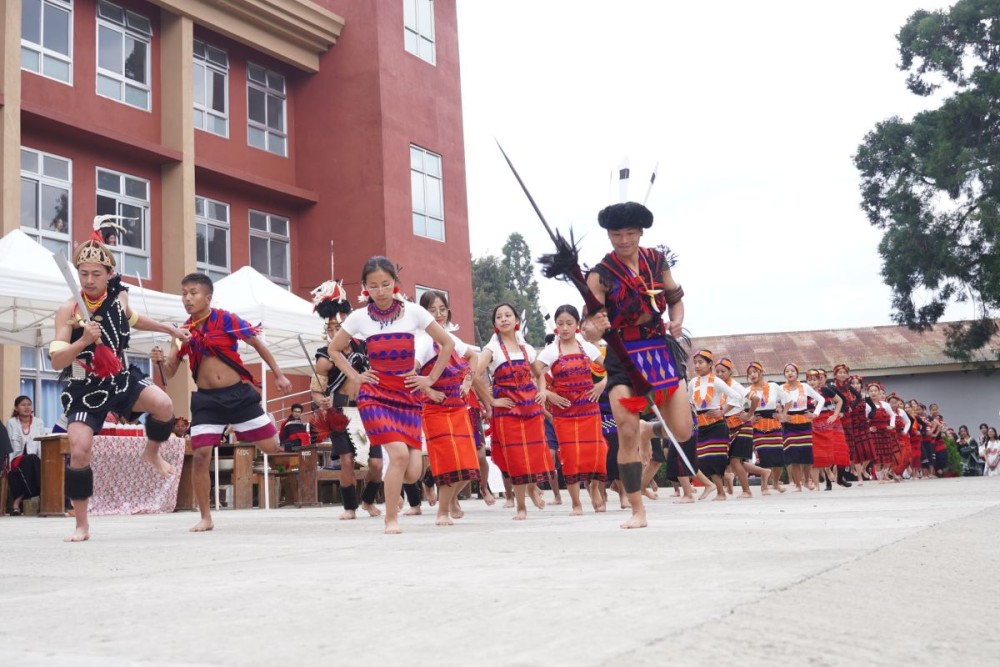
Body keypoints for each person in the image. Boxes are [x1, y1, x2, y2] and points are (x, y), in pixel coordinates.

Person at [50, 222, 190, 541]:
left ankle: (152, 452)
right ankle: (82, 524)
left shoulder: (118, 301)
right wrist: (82, 340)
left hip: (120, 378)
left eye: (95, 273)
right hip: (85, 387)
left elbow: (136, 319)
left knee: (164, 405)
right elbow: (56, 358)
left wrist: (172, 330)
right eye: (83, 273)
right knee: (80, 448)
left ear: (109, 274)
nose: (89, 280)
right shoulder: (68, 310)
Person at [151, 272, 291, 532]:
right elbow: (169, 373)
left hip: (238, 395)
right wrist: (159, 361)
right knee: (201, 455)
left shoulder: (226, 319)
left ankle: (260, 428)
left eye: (193, 292)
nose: (187, 298)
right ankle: (206, 517)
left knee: (271, 447)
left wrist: (279, 374)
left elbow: (257, 343)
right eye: (184, 293)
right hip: (207, 401)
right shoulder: (182, 332)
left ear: (208, 296)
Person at [326, 257, 455, 534]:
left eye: (386, 284)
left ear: (395, 284)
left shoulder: (414, 312)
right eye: (374, 286)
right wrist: (356, 376)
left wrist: (429, 379)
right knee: (397, 455)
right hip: (375, 396)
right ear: (365, 287)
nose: (381, 290)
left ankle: (397, 500)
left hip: (407, 396)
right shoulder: (359, 316)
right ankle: (390, 519)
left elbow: (447, 343)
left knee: (413, 472)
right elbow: (334, 350)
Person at [583, 201, 692, 528]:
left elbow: (674, 297)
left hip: (659, 348)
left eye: (630, 233)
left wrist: (677, 321)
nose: (624, 239)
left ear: (641, 232)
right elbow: (589, 327)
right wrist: (593, 329)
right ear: (608, 234)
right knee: (626, 431)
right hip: (622, 352)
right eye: (616, 234)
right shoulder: (600, 274)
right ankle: (636, 510)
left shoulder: (656, 261)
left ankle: (652, 427)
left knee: (682, 431)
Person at [310, 280, 379, 520]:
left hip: (369, 411)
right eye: (329, 329)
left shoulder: (366, 348)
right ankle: (350, 507)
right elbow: (317, 391)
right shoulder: (323, 358)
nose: (333, 332)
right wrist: (322, 401)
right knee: (347, 461)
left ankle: (368, 500)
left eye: (337, 327)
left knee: (377, 464)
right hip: (340, 412)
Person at [477, 303, 550, 521]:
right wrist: (491, 401)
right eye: (499, 316)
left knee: (534, 454)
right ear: (495, 324)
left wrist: (543, 392)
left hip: (531, 408)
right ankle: (520, 506)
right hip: (508, 409)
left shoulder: (527, 348)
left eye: (508, 315)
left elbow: (540, 375)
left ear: (516, 320)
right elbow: (474, 375)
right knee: (517, 458)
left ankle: (531, 489)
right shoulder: (492, 349)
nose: (504, 319)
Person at [415, 289, 482, 526]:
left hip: (458, 408)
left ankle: (449, 498)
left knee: (469, 461)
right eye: (432, 310)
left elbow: (474, 358)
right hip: (435, 411)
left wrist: (468, 381)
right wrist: (429, 390)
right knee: (448, 462)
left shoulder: (453, 340)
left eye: (442, 309)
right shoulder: (422, 342)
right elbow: (410, 374)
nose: (439, 314)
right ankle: (442, 511)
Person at [533, 304, 607, 515]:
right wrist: (547, 393)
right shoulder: (550, 351)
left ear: (577, 325)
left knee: (595, 452)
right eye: (560, 324)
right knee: (570, 456)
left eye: (569, 323)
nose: (565, 328)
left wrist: (601, 385)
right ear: (555, 326)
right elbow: (535, 373)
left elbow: (613, 368)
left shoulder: (589, 348)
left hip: (589, 408)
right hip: (564, 413)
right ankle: (576, 503)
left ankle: (593, 487)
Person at [687, 350, 748, 500]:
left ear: (709, 365)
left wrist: (722, 411)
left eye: (701, 362)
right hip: (701, 425)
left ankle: (721, 493)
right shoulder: (692, 382)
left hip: (717, 425)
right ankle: (723, 481)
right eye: (695, 362)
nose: (697, 365)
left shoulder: (716, 381)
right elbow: (689, 402)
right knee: (703, 459)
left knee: (715, 458)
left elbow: (736, 396)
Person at [714, 358, 768, 498]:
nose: (719, 374)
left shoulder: (735, 386)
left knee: (734, 461)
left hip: (741, 426)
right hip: (728, 427)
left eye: (723, 371)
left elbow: (755, 398)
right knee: (733, 461)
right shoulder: (717, 385)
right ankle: (763, 472)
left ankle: (747, 491)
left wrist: (749, 415)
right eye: (717, 371)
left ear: (730, 371)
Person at [777, 363, 823, 491]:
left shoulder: (804, 386)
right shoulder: (780, 388)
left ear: (797, 373)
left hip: (804, 422)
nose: (790, 373)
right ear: (784, 374)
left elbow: (821, 400)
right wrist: (780, 415)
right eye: (787, 371)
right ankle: (798, 484)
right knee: (794, 455)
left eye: (792, 371)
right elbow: (772, 403)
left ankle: (807, 481)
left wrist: (815, 414)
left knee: (806, 455)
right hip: (789, 423)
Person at [6, 396, 46, 515]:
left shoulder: (39, 422)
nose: (27, 407)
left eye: (29, 404)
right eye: (23, 405)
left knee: (33, 460)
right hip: (16, 459)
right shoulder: (11, 422)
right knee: (30, 461)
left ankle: (16, 503)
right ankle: (43, 499)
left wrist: (43, 461)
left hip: (34, 460)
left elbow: (41, 443)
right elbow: (9, 446)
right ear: (16, 408)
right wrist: (7, 466)